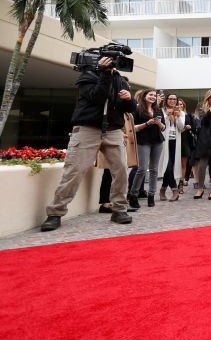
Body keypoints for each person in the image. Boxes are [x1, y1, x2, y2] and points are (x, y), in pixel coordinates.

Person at [41, 57, 137, 231]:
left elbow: (130, 108)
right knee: (74, 171)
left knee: (121, 171)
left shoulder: (120, 80)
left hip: (113, 130)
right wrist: (105, 73)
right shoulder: (88, 76)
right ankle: (55, 213)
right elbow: (98, 97)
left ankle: (119, 210)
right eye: (110, 60)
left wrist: (129, 99)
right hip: (87, 129)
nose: (113, 63)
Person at [129, 89, 166, 207]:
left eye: (155, 95)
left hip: (157, 141)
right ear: (144, 96)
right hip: (143, 141)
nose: (153, 97)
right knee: (142, 169)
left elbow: (163, 128)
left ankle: (151, 195)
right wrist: (147, 124)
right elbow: (132, 128)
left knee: (154, 169)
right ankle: (133, 195)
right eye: (150, 95)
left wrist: (158, 123)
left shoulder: (158, 110)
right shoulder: (137, 109)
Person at [158, 93, 185, 201]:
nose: (172, 100)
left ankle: (162, 190)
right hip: (165, 142)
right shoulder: (161, 111)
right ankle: (175, 190)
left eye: (174, 99)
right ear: (166, 100)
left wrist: (177, 117)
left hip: (175, 142)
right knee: (167, 166)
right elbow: (161, 126)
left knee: (170, 167)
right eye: (170, 98)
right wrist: (166, 115)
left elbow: (181, 128)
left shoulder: (181, 113)